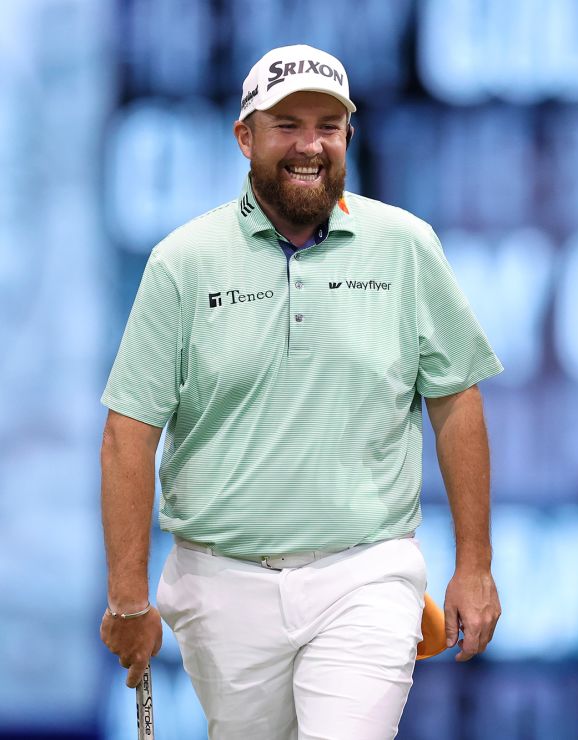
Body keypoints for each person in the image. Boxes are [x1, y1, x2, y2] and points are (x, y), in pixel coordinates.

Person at [99, 44, 503, 739]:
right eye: (287, 125)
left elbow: (456, 400)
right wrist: (129, 600)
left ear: (349, 135)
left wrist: (476, 566)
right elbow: (127, 435)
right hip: (219, 582)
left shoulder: (405, 246)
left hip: (366, 569)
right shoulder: (181, 263)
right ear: (244, 136)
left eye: (328, 124)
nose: (310, 145)